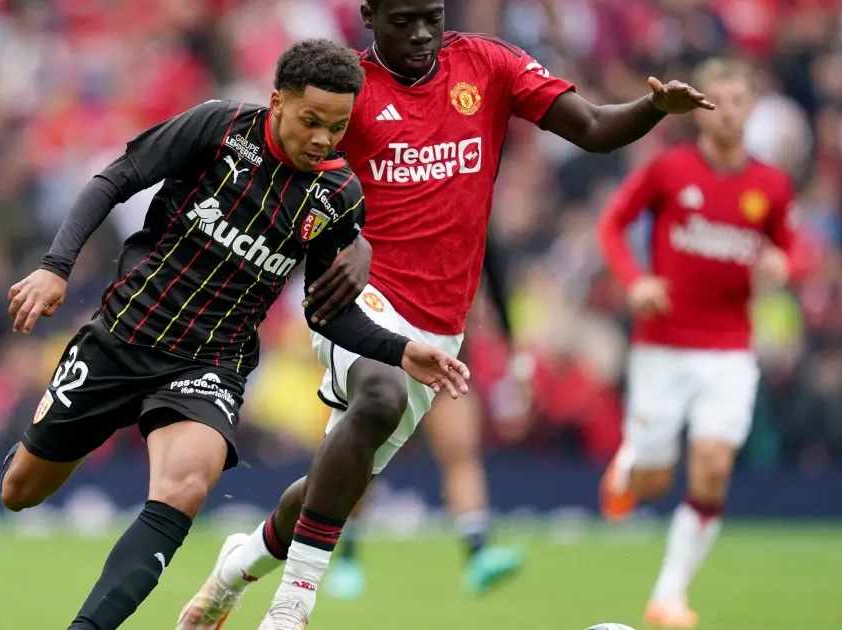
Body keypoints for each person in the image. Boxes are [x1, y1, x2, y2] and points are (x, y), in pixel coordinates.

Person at [178, 2, 713, 628]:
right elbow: (287, 174)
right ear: (370, 16)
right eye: (403, 20)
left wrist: (653, 107)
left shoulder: (488, 65)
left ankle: (233, 571)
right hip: (358, 299)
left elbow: (593, 126)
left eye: (431, 16)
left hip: (441, 323)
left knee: (335, 481)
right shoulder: (348, 91)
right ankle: (292, 605)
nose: (421, 34)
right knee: (379, 397)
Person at [0, 39, 470, 630]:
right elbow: (115, 179)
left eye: (338, 127)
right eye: (311, 121)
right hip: (124, 333)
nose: (323, 139)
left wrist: (401, 350)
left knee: (185, 488)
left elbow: (326, 313)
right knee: (20, 492)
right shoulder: (219, 127)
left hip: (210, 363)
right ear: (278, 102)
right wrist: (55, 267)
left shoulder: (338, 196)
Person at [595, 58, 799, 629]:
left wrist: (784, 263)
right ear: (701, 109)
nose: (728, 112)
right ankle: (630, 464)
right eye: (719, 101)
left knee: (712, 466)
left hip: (730, 350)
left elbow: (791, 246)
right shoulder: (669, 169)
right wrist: (635, 283)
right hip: (662, 347)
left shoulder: (771, 185)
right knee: (655, 481)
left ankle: (669, 596)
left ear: (751, 108)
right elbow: (611, 224)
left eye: (739, 101)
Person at [325, 230, 531, 600]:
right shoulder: (391, 204)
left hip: (447, 349)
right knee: (366, 455)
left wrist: (511, 344)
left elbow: (494, 268)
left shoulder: (470, 204)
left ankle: (478, 552)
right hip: (388, 344)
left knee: (460, 448)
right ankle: (346, 556)